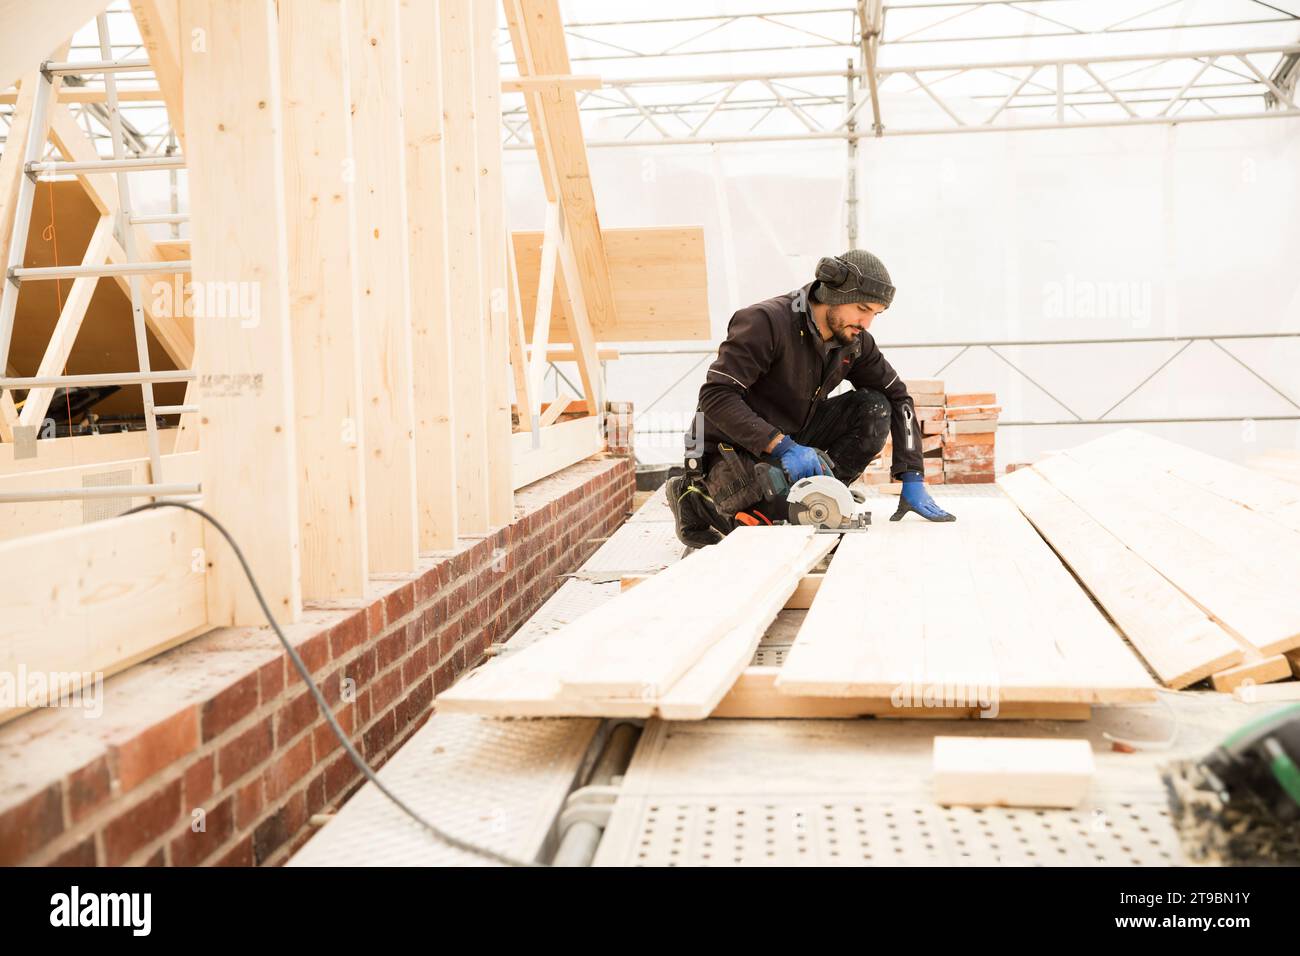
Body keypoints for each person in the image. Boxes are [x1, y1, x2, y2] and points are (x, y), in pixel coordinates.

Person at [668, 249, 955, 548]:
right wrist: (781, 445)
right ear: (834, 292)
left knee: (874, 407)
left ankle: (822, 495)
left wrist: (912, 475)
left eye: (875, 314)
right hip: (730, 442)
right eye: (862, 308)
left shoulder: (853, 341)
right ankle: (692, 497)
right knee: (761, 532)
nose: (866, 323)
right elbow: (715, 396)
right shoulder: (766, 322)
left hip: (791, 437)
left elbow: (898, 397)